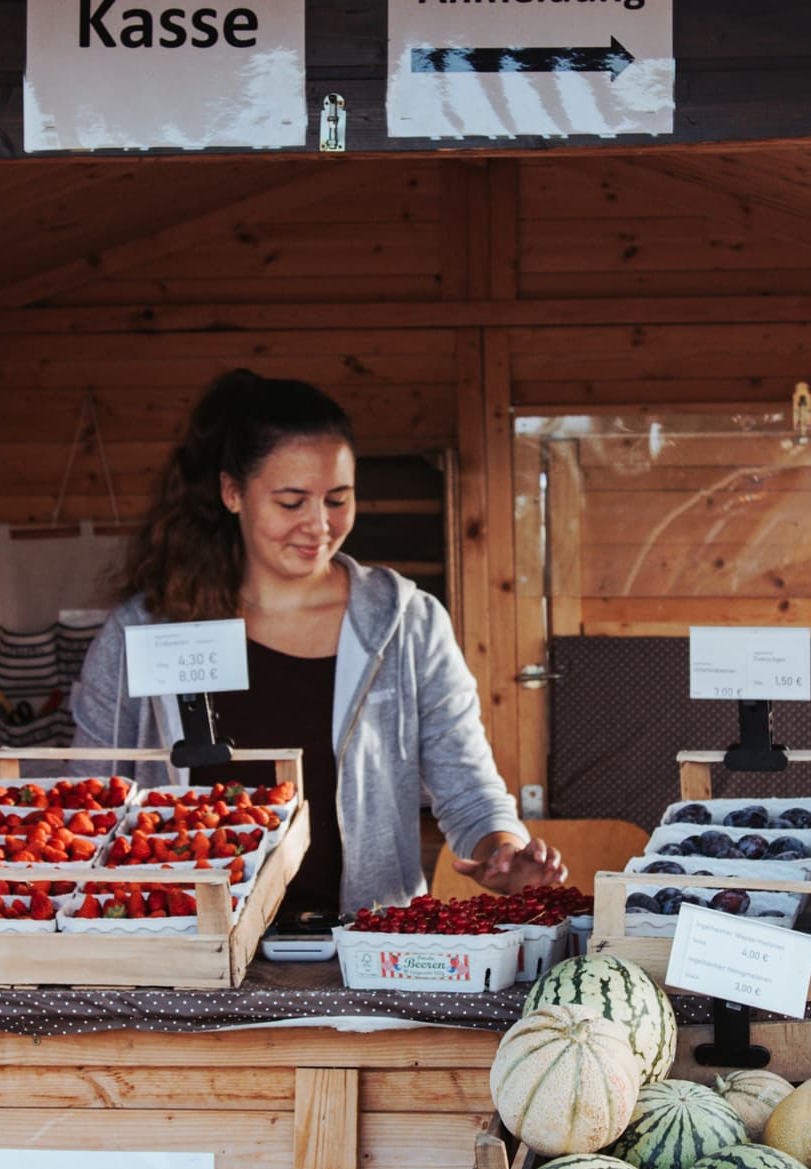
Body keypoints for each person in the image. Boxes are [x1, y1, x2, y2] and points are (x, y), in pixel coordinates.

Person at [71, 370, 563, 922]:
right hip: (182, 947)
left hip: (364, 956)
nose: (319, 525)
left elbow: (468, 790)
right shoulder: (142, 631)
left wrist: (503, 852)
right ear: (232, 492)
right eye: (291, 501)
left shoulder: (407, 623)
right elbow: (85, 801)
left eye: (337, 499)